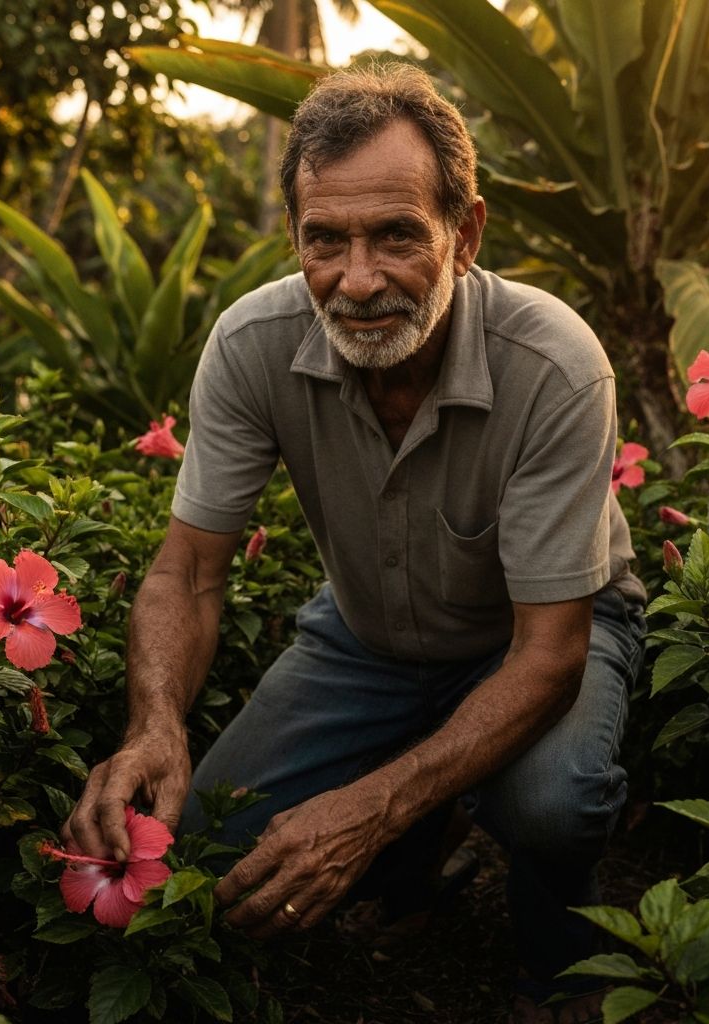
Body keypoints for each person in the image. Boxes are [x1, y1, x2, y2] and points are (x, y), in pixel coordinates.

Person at [64, 63, 646, 1024]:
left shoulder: (554, 363)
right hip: (367, 637)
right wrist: (155, 725)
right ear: (294, 237)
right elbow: (190, 572)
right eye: (324, 240)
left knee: (553, 803)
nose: (358, 279)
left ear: (466, 234)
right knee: (209, 841)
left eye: (397, 236)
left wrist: (369, 807)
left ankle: (563, 965)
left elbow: (551, 653)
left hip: (537, 636)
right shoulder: (252, 345)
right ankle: (426, 842)